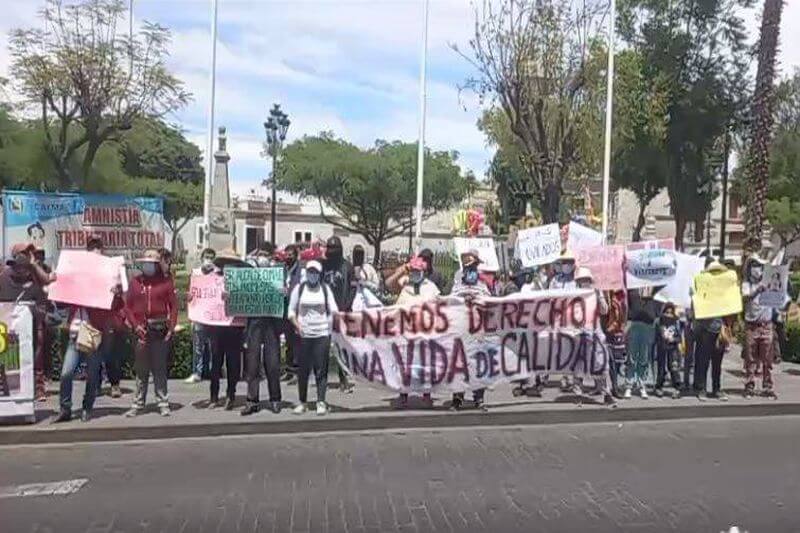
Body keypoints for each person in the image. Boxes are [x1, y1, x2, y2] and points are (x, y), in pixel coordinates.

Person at [124, 249, 178, 417]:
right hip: (140, 331)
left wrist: (171, 327)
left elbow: (174, 306)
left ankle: (162, 401)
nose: (149, 266)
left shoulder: (166, 282)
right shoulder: (135, 282)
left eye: (153, 263)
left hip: (159, 329)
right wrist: (135, 326)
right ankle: (138, 403)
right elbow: (127, 306)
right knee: (141, 369)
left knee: (159, 367)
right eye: (146, 263)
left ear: (157, 265)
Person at [0, 243, 52, 400]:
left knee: (36, 350)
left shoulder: (36, 280)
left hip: (31, 327)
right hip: (7, 330)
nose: (21, 269)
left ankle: (38, 387)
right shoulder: (3, 279)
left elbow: (43, 304)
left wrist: (34, 266)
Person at [288, 260, 338, 415]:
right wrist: (298, 325)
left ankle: (321, 401)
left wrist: (328, 327)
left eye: (315, 272)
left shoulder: (325, 289)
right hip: (303, 335)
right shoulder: (299, 289)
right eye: (310, 271)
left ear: (319, 274)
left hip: (321, 334)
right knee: (303, 370)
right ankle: (302, 402)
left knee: (321, 369)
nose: (312, 275)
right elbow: (291, 311)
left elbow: (334, 310)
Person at [241, 248, 284, 416]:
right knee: (252, 364)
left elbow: (284, 298)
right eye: (261, 256)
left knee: (272, 363)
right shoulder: (250, 277)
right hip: (254, 323)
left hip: (271, 324)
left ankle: (275, 399)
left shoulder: (277, 276)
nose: (264, 259)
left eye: (266, 255)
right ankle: (252, 401)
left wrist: (283, 294)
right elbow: (241, 297)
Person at [394, 256, 440, 409]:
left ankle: (426, 395)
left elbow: (439, 307)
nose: (415, 273)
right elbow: (390, 287)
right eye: (412, 270)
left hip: (426, 334)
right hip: (407, 334)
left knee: (426, 365)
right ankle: (403, 395)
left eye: (417, 271)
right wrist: (403, 269)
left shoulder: (431, 287)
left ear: (423, 271)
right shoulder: (405, 287)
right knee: (405, 366)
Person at [451, 250, 489, 410]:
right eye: (469, 266)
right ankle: (457, 398)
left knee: (477, 364)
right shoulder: (457, 283)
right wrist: (462, 300)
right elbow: (449, 302)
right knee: (459, 365)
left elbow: (489, 302)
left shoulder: (482, 284)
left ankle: (478, 397)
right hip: (461, 330)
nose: (472, 269)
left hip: (477, 330)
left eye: (474, 266)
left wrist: (478, 301)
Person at [209, 249, 246, 410]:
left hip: (234, 326)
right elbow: (206, 297)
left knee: (233, 363)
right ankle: (214, 396)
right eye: (225, 263)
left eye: (231, 263)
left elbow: (248, 300)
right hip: (217, 325)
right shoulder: (212, 280)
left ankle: (231, 394)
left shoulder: (241, 281)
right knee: (215, 362)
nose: (227, 266)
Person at [692, 261, 732, 402]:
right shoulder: (703, 286)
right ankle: (701, 388)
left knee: (717, 362)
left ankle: (716, 389)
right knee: (703, 361)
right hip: (705, 329)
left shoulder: (725, 290)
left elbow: (730, 308)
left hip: (719, 329)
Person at [322, 236, 355, 393]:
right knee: (323, 347)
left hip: (341, 312)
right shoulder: (323, 265)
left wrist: (346, 306)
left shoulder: (347, 266)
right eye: (329, 247)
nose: (331, 251)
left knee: (341, 348)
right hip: (325, 313)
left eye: (334, 248)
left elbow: (353, 288)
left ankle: (343, 379)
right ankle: (322, 379)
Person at [741, 256, 777, 398]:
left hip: (766, 325)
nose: (756, 268)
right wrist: (757, 290)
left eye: (758, 265)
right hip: (751, 326)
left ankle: (768, 386)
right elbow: (745, 297)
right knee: (750, 357)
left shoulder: (768, 281)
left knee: (768, 358)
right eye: (753, 265)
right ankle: (749, 385)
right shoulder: (746, 284)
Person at [185, 248, 217, 384]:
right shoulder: (195, 273)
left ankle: (211, 372)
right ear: (202, 257)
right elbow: (191, 293)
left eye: (211, 257)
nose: (208, 259)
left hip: (214, 317)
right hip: (199, 315)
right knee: (198, 346)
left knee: (212, 346)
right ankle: (196, 373)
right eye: (206, 256)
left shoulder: (218, 274)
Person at [624, 287, 661, 399]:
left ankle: (642, 385)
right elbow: (627, 302)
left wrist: (656, 314)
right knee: (631, 356)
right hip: (633, 323)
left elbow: (661, 298)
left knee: (645, 356)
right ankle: (629, 385)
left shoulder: (655, 284)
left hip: (649, 324)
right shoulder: (633, 284)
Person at [654, 302, 683, 399]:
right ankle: (659, 386)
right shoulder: (659, 322)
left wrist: (673, 340)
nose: (668, 315)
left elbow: (679, 338)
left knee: (674, 368)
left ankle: (677, 388)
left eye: (671, 312)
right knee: (661, 369)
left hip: (673, 349)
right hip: (662, 348)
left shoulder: (676, 323)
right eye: (667, 312)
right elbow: (655, 336)